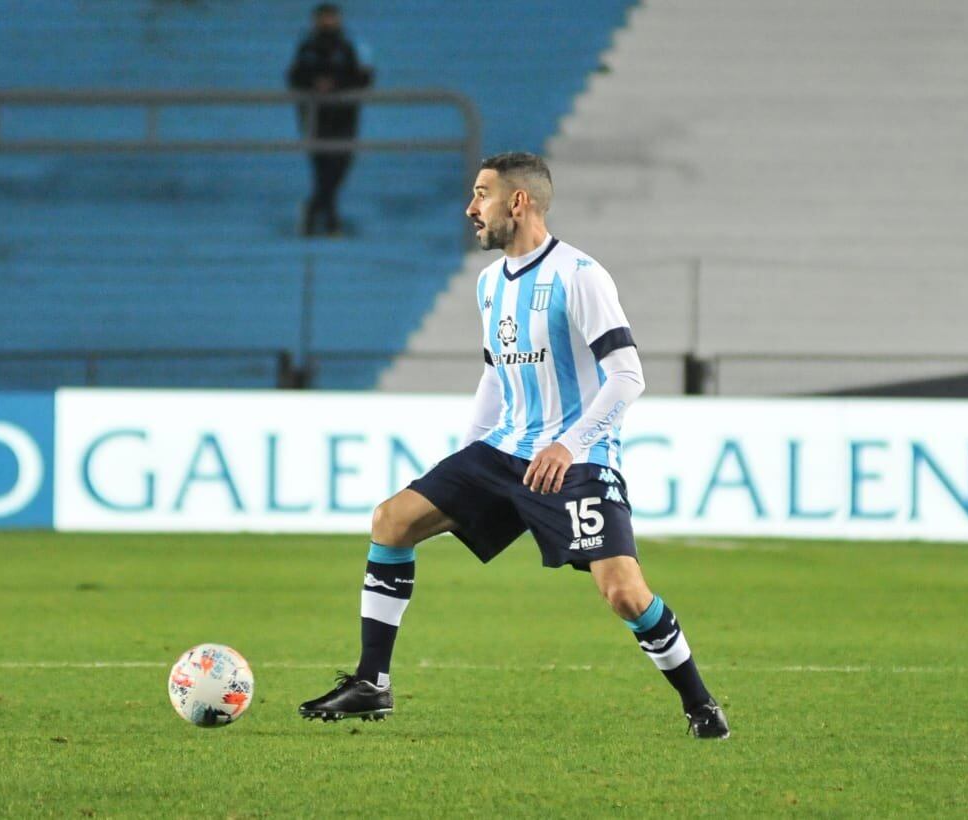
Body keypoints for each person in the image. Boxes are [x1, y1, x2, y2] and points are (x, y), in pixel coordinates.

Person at [298, 152, 731, 739]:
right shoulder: (487, 284)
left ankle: (701, 705)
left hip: (574, 463)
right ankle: (373, 682)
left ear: (518, 202)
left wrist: (570, 445)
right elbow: (495, 376)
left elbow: (628, 375)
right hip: (503, 452)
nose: (470, 208)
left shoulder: (580, 276)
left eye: (482, 194)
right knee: (393, 520)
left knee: (624, 594)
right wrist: (463, 456)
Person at [285, 3, 373, 236]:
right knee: (323, 169)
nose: (327, 22)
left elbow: (363, 77)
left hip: (344, 117)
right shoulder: (308, 48)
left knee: (340, 166)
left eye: (331, 17)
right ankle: (328, 220)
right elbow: (295, 76)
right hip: (316, 118)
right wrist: (316, 84)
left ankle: (315, 212)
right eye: (323, 18)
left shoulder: (349, 47)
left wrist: (336, 85)